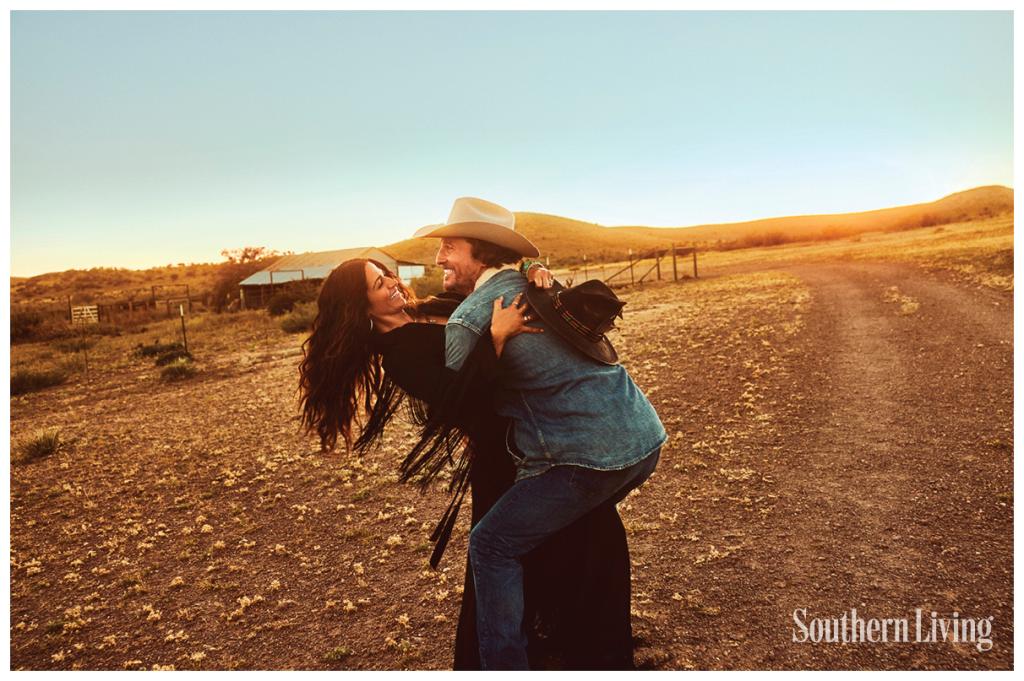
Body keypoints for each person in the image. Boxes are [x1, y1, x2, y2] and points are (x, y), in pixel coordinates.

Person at [296, 257, 635, 669]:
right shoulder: (399, 355)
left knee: (592, 540)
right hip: (504, 459)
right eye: (379, 283)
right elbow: (456, 399)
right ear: (361, 305)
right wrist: (495, 337)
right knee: (539, 551)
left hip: (536, 441)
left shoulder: (435, 309)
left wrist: (530, 266)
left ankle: (585, 650)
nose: (393, 284)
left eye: (389, 275)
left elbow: (492, 277)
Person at [414, 197, 666, 670]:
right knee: (564, 529)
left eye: (449, 247)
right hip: (643, 440)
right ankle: (581, 640)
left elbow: (456, 400)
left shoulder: (470, 318)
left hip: (584, 460)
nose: (438, 258)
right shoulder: (543, 285)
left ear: (481, 252)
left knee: (490, 546)